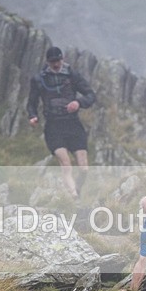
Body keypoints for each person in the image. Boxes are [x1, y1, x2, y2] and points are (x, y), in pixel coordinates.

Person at [27, 46, 96, 198]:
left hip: (73, 125)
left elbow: (91, 95)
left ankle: (77, 189)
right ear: (47, 62)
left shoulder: (72, 75)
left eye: (58, 61)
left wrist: (78, 103)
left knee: (84, 168)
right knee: (66, 165)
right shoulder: (39, 80)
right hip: (53, 127)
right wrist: (32, 116)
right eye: (52, 62)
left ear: (62, 59)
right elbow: (31, 103)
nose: (56, 64)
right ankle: (74, 199)